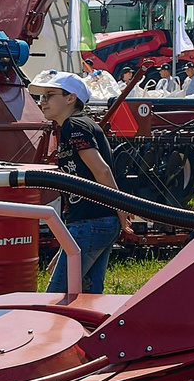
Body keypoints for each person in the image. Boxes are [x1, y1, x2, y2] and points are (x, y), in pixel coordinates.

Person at [30, 71, 130, 293]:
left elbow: (101, 170)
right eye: (42, 97)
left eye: (49, 95)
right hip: (97, 222)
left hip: (91, 222)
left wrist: (122, 209)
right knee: (88, 296)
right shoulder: (77, 125)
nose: (42, 101)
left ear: (71, 98)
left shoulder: (73, 125)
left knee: (57, 296)